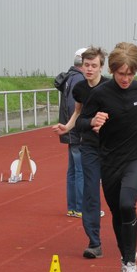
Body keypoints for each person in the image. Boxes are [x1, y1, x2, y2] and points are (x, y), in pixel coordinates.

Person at [79, 42, 137, 272]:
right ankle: (126, 256)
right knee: (118, 212)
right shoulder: (100, 94)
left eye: (130, 74)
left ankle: (130, 264)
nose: (126, 79)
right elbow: (82, 122)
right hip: (109, 160)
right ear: (112, 70)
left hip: (136, 156)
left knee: (127, 204)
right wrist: (93, 120)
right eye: (121, 73)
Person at [52, 47, 109, 259]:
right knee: (90, 191)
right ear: (81, 65)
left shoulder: (110, 87)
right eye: (86, 65)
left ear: (101, 67)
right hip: (89, 145)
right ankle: (94, 241)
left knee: (116, 194)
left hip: (112, 147)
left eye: (94, 65)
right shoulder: (79, 88)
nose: (90, 69)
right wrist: (67, 127)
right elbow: (78, 111)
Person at [55, 48, 86, 218]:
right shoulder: (79, 79)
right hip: (76, 131)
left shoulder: (69, 77)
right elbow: (74, 107)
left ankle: (73, 207)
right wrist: (75, 127)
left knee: (73, 170)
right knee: (81, 170)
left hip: (70, 131)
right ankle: (80, 207)